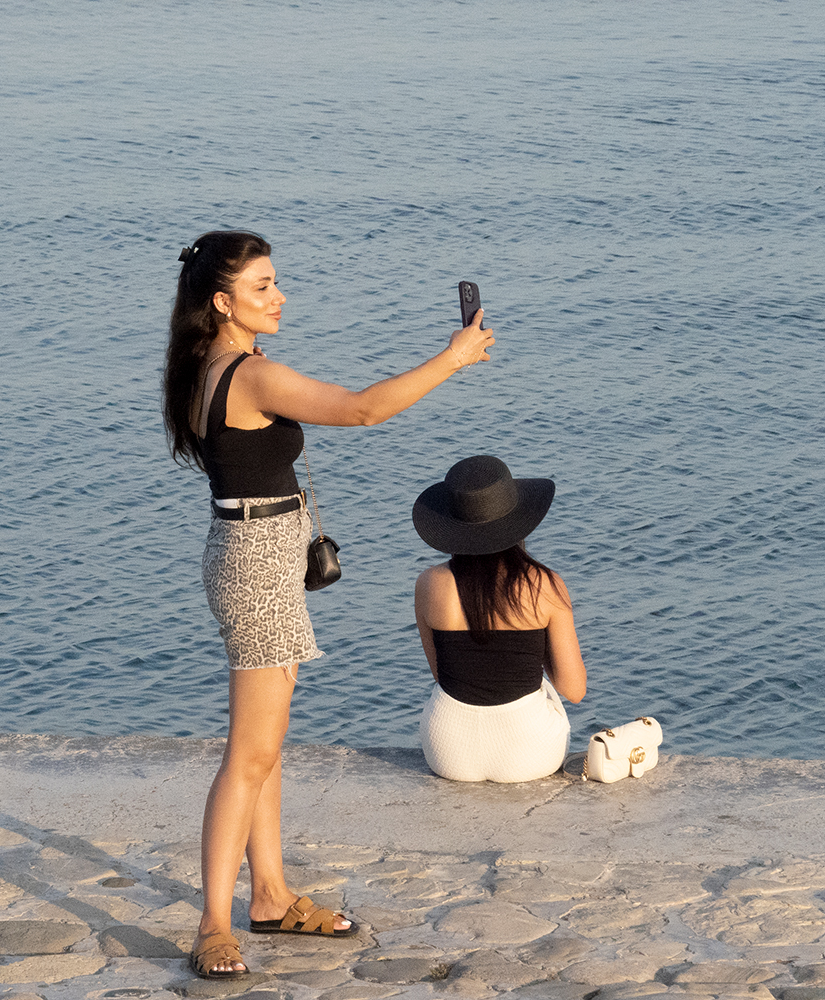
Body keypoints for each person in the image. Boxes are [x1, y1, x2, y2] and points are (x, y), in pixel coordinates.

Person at [161, 231, 495, 980]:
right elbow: (363, 409)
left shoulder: (202, 363)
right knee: (249, 754)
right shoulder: (249, 375)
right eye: (262, 286)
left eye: (275, 281)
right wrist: (453, 357)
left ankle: (271, 895)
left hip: (255, 550)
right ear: (223, 302)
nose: (279, 296)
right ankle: (214, 925)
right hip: (256, 562)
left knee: (267, 744)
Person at [411, 455, 587, 782]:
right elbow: (573, 689)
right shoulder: (544, 585)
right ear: (519, 521)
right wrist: (535, 647)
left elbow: (441, 675)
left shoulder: (429, 584)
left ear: (453, 528)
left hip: (447, 751)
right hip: (529, 752)